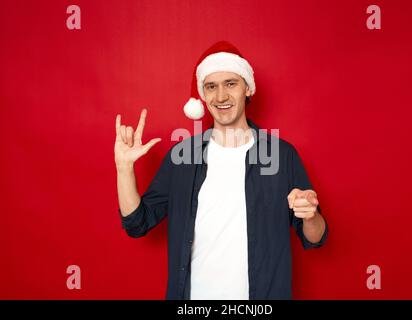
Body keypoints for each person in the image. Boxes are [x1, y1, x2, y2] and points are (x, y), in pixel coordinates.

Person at [115, 41, 328, 300]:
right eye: (211, 87)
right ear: (203, 96)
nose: (221, 97)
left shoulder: (282, 155)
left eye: (231, 84)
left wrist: (310, 214)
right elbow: (137, 224)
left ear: (247, 88)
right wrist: (124, 168)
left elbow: (315, 238)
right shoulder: (183, 157)